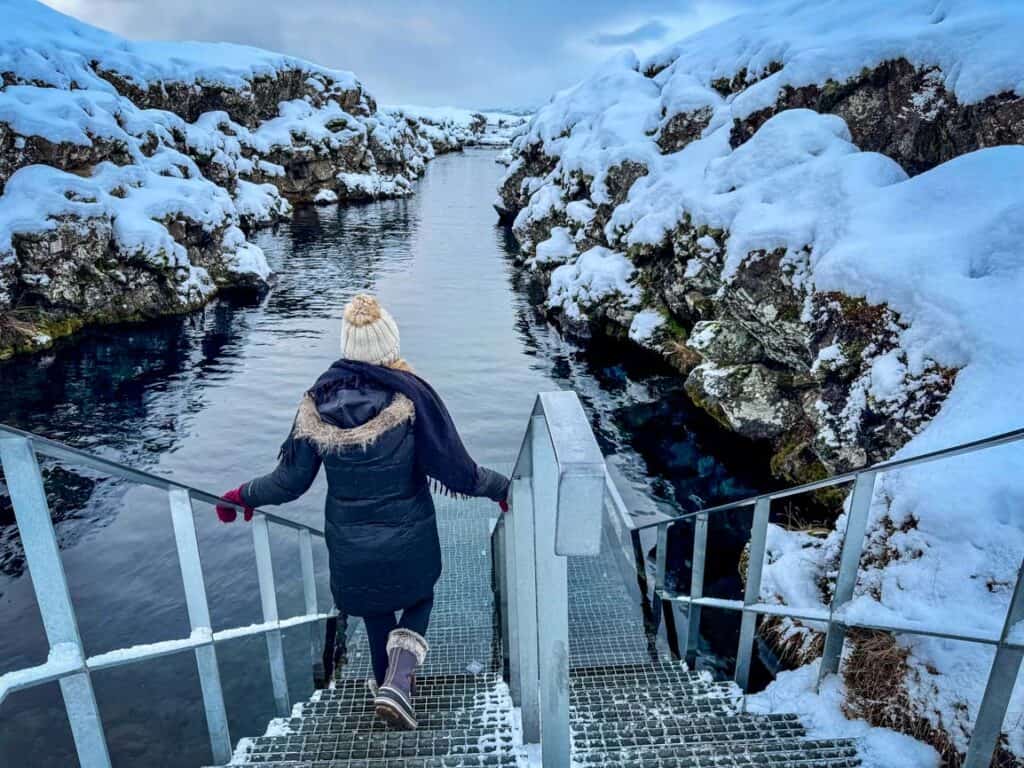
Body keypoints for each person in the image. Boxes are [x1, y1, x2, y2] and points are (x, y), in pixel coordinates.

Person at [216, 294, 509, 730]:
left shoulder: (316, 405)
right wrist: (501, 488)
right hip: (408, 538)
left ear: (348, 347)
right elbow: (458, 471)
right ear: (389, 345)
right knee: (420, 596)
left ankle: (388, 689)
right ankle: (400, 679)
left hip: (351, 546)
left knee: (375, 607)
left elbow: (289, 482)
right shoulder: (410, 400)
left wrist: (241, 495)